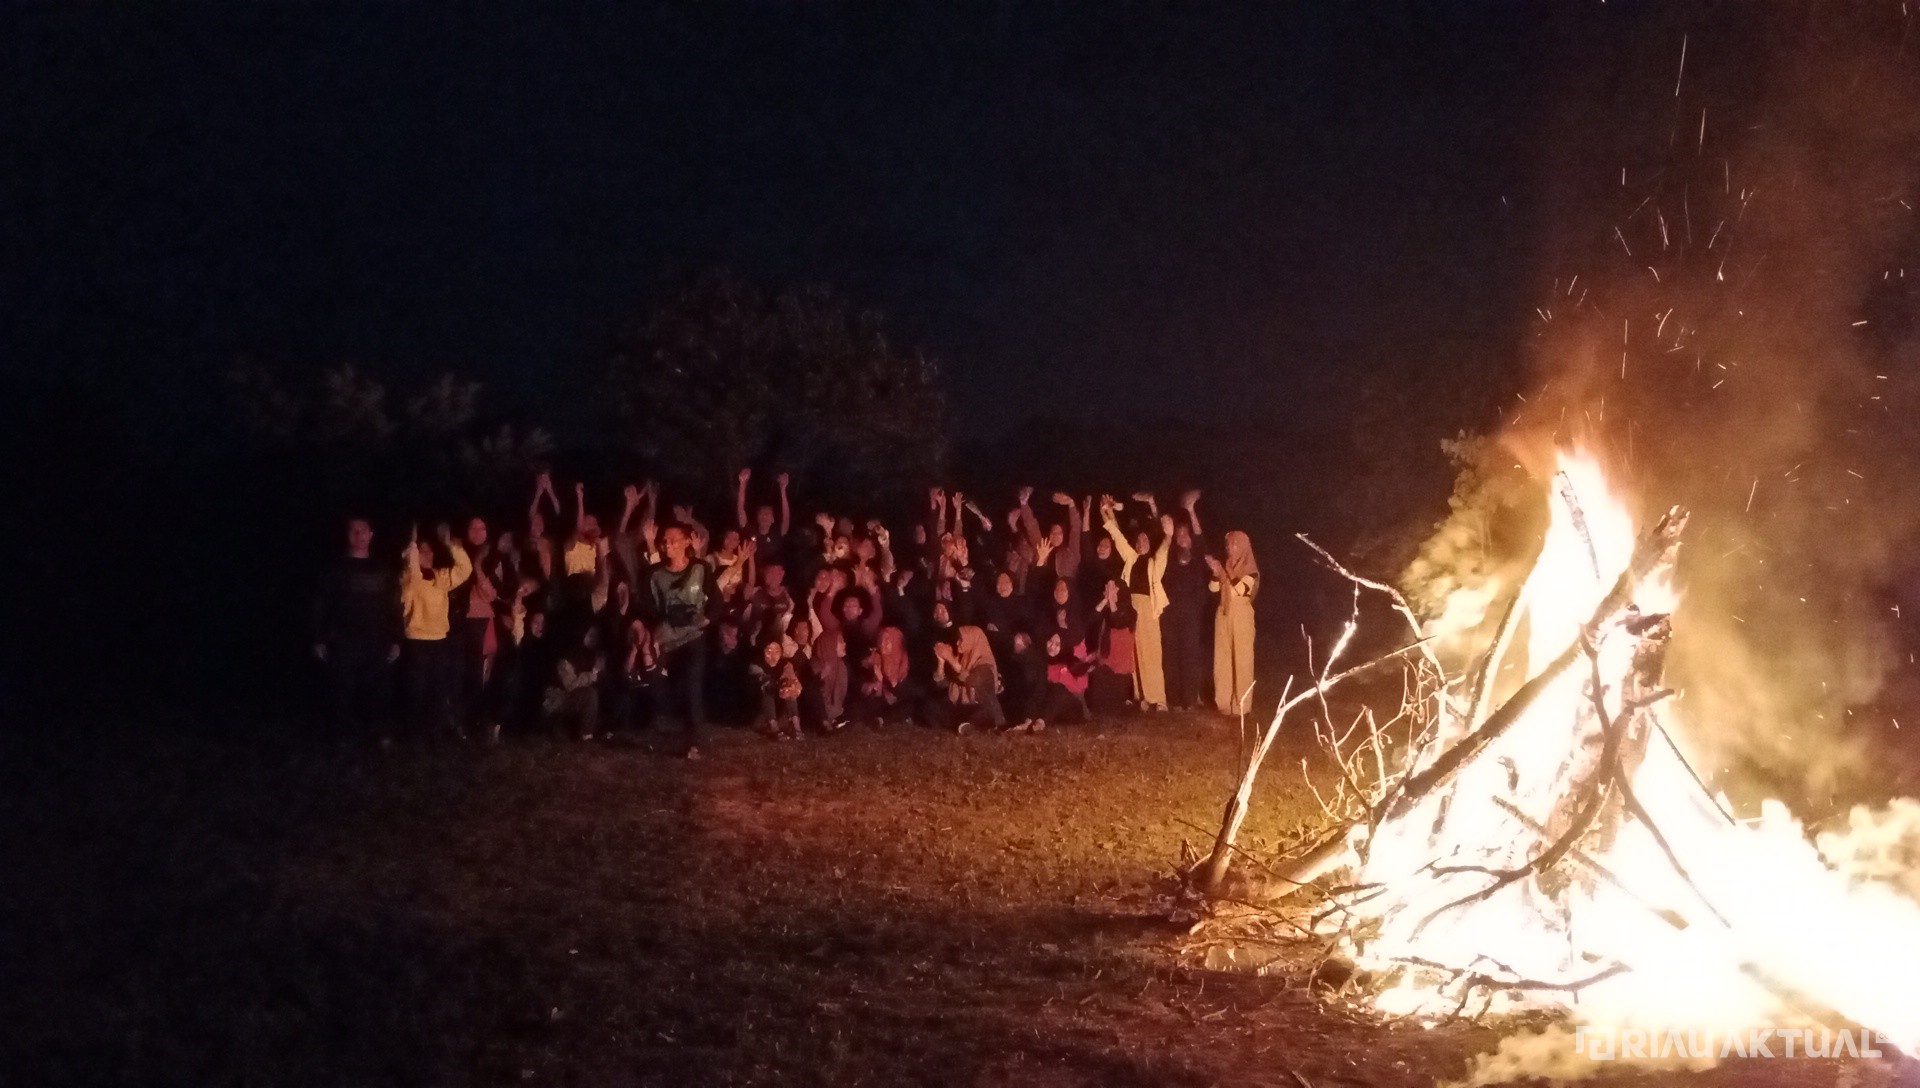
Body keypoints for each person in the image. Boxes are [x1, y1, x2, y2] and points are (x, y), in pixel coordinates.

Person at [312, 517, 402, 742]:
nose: (359, 534)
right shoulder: (335, 568)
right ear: (347, 534)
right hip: (344, 639)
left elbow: (393, 604)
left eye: (363, 530)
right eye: (354, 530)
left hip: (377, 638)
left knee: (379, 689)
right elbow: (322, 603)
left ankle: (379, 733)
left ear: (371, 534)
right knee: (343, 689)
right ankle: (343, 736)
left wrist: (396, 639)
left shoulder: (382, 569)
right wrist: (319, 637)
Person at [399, 524, 473, 742]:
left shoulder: (440, 578)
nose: (427, 553)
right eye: (422, 550)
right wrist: (412, 542)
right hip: (417, 641)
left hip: (439, 640)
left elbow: (464, 570)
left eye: (430, 550)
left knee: (437, 688)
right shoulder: (409, 579)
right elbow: (412, 568)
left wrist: (450, 544)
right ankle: (413, 734)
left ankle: (435, 733)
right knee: (416, 689)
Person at [1102, 495, 1171, 711]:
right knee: (1133, 651)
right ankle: (1140, 694)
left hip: (1149, 607)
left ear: (1149, 544)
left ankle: (1158, 698)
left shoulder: (1154, 562)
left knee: (1152, 651)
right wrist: (1107, 513)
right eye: (1139, 540)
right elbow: (1118, 537)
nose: (1141, 543)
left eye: (1145, 540)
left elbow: (1164, 549)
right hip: (1132, 606)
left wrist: (1168, 536)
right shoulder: (1131, 558)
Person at [649, 523, 711, 758]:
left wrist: (707, 618)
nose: (668, 545)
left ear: (686, 542)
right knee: (673, 687)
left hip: (694, 638)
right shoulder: (656, 575)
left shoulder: (700, 568)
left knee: (693, 684)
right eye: (664, 541)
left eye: (673, 540)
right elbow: (654, 608)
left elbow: (714, 598)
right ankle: (674, 731)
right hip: (671, 641)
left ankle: (694, 743)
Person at [1160, 493, 1212, 711]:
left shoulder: (1198, 555)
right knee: (1171, 653)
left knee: (1189, 653)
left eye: (1185, 533)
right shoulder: (1171, 555)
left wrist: (1191, 510)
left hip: (1191, 613)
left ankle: (1190, 699)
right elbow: (1164, 534)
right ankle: (1173, 699)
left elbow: (1199, 535)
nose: (1182, 536)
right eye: (1179, 534)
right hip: (1170, 613)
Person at [1208, 529, 1260, 718]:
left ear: (1244, 547)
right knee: (1222, 658)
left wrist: (1224, 571)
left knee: (1242, 659)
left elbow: (1240, 590)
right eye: (1228, 544)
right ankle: (1224, 702)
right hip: (1223, 613)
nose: (1230, 548)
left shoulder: (1250, 571)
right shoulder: (1225, 567)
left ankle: (1241, 705)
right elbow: (1213, 588)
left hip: (1241, 614)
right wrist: (1216, 573)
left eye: (1235, 544)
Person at [933, 625, 1006, 733]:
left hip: (981, 708)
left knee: (983, 712)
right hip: (964, 708)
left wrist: (950, 658)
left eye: (961, 640)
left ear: (972, 641)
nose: (957, 643)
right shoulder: (962, 660)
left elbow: (971, 680)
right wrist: (941, 662)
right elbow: (941, 684)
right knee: (933, 706)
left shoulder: (986, 664)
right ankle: (963, 725)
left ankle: (970, 726)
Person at [747, 638, 804, 740]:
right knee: (768, 691)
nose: (773, 656)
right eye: (769, 652)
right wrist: (781, 688)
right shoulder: (755, 666)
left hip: (780, 710)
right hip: (761, 711)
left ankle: (796, 727)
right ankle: (773, 728)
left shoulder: (785, 665)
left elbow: (791, 679)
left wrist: (791, 686)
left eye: (777, 652)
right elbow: (766, 683)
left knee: (788, 688)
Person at [737, 469, 791, 570]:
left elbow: (786, 517)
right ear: (757, 517)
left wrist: (783, 489)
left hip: (771, 577)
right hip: (750, 576)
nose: (764, 516)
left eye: (767, 514)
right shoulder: (750, 532)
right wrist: (742, 484)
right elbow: (741, 509)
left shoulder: (777, 534)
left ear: (773, 520)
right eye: (761, 513)